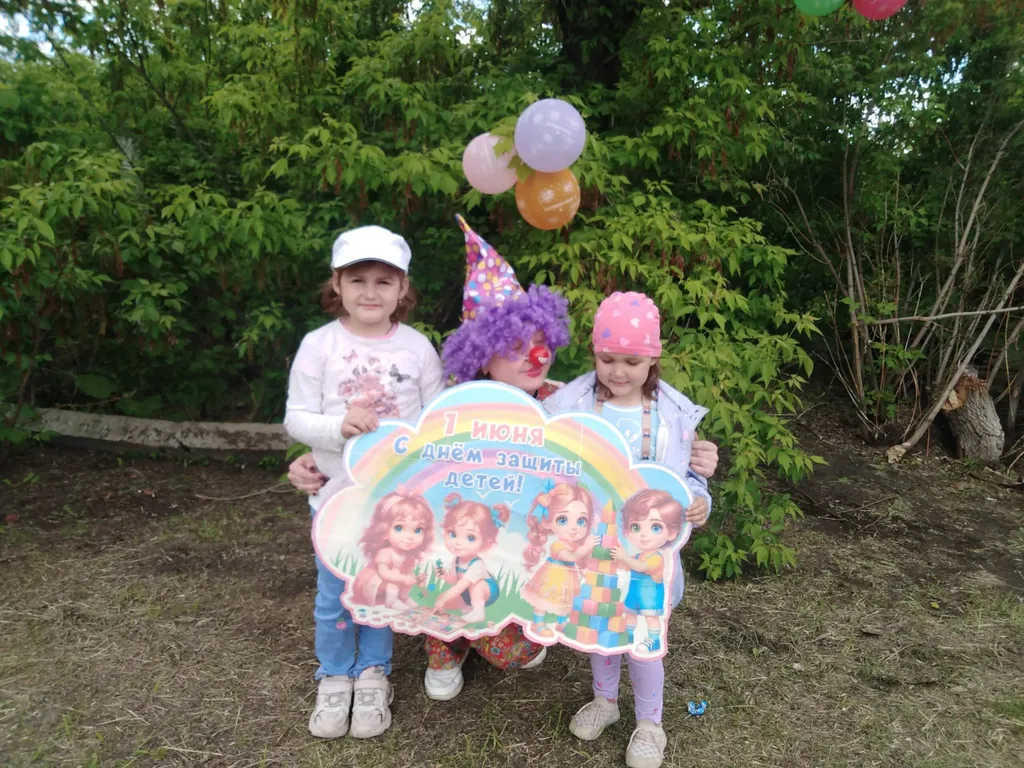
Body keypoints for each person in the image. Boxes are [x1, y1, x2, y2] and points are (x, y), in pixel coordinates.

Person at [287, 219, 720, 703]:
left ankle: (492, 631)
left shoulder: (564, 402)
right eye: (515, 347)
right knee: (440, 576)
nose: (536, 356)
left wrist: (691, 455)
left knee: (514, 648)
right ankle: (444, 647)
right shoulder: (452, 404)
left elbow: (618, 443)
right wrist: (323, 458)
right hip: (453, 535)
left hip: (520, 542)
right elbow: (402, 443)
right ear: (484, 354)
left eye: (540, 343)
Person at [284, 225, 444, 740]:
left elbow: (436, 423)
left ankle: (374, 673)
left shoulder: (418, 349)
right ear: (337, 284)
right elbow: (295, 417)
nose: (370, 292)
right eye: (357, 280)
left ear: (403, 288)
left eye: (383, 281)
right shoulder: (319, 345)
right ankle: (334, 675)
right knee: (334, 593)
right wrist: (337, 427)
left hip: (397, 506)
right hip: (335, 498)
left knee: (382, 588)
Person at [541, 291, 711, 768]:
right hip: (595, 551)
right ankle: (606, 701)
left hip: (646, 561)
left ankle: (650, 724)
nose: (618, 372)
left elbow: (689, 480)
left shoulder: (672, 416)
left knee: (643, 640)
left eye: (632, 361)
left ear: (653, 358)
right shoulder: (570, 407)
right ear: (594, 354)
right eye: (607, 359)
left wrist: (700, 502)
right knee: (600, 628)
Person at [521, 483, 597, 638]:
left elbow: (578, 558)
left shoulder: (574, 544)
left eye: (581, 521)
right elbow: (571, 557)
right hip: (552, 576)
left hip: (569, 576)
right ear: (547, 522)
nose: (574, 528)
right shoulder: (558, 545)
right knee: (542, 599)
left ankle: (562, 622)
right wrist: (585, 548)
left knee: (566, 600)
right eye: (563, 520)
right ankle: (538, 623)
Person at [431, 494, 510, 624]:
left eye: (470, 538)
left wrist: (446, 598)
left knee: (476, 585)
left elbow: (461, 586)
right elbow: (456, 581)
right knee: (441, 598)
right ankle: (465, 608)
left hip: (487, 592)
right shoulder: (456, 561)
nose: (457, 542)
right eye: (453, 534)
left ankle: (479, 612)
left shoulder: (477, 564)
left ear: (485, 543)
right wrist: (446, 576)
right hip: (467, 592)